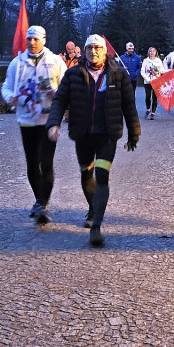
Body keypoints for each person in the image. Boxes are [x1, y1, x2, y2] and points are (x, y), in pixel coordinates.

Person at [47, 34, 140, 248]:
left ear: (105, 51)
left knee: (103, 176)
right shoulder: (73, 74)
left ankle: (96, 226)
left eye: (98, 48)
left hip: (107, 135)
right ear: (85, 51)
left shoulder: (118, 75)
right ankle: (92, 207)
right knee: (86, 173)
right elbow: (60, 100)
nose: (93, 52)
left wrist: (134, 133)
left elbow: (129, 105)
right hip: (83, 135)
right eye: (89, 48)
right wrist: (54, 123)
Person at [1, 25, 66, 226]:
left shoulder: (55, 61)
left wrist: (61, 97)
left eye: (36, 39)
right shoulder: (17, 63)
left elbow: (67, 86)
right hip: (27, 120)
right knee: (32, 162)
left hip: (49, 119)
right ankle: (40, 201)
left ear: (44, 40)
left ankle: (42, 203)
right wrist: (9, 97)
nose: (32, 42)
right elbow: (6, 86)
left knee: (46, 162)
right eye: (29, 39)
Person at [140, 46, 164, 119]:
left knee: (154, 97)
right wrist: (148, 79)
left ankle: (153, 112)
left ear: (156, 52)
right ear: (148, 52)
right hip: (148, 82)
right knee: (148, 96)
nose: (152, 53)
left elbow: (162, 70)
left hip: (156, 81)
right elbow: (142, 72)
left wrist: (170, 71)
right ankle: (148, 109)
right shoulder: (145, 61)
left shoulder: (158, 61)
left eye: (153, 51)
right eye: (150, 51)